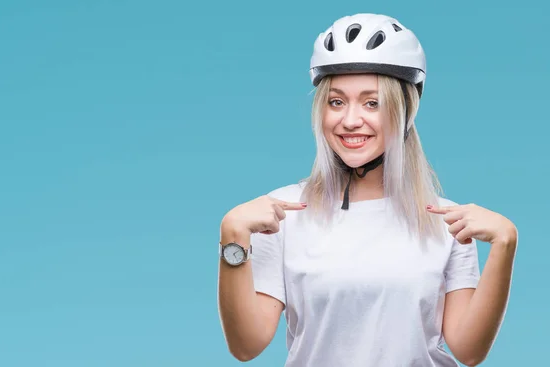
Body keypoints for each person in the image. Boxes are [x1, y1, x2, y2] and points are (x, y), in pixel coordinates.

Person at [217, 13, 518, 367]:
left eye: (372, 102)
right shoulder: (281, 214)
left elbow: (469, 351)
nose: (349, 120)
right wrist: (233, 235)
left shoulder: (445, 220)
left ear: (404, 110)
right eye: (336, 101)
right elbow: (245, 346)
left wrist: (505, 243)